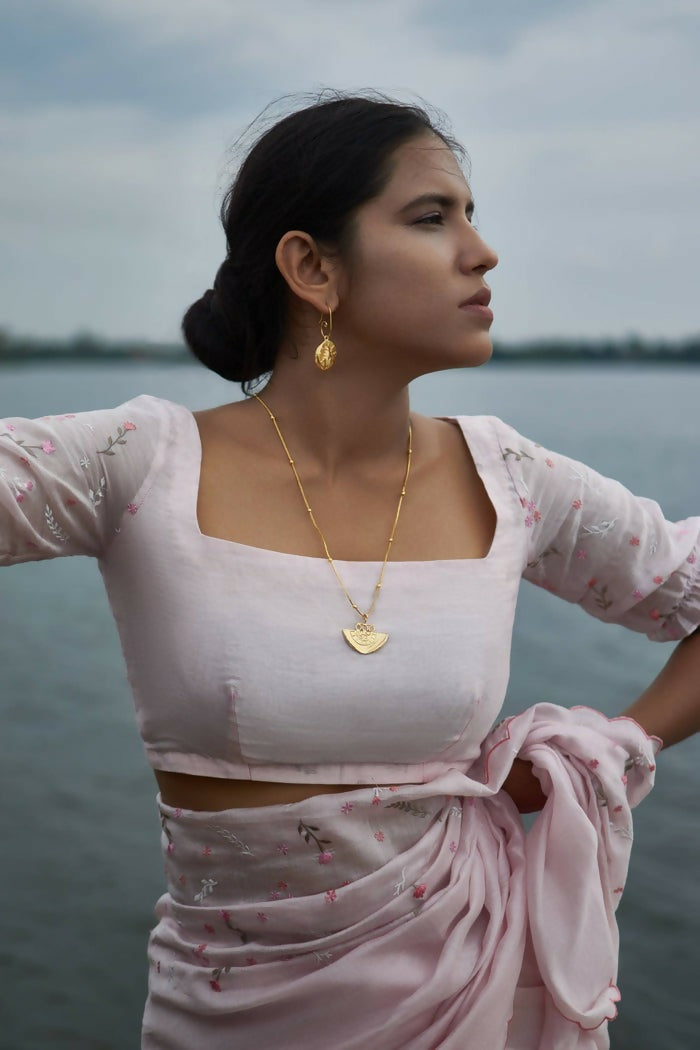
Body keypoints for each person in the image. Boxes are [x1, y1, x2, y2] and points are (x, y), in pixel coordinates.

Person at [1, 91, 699, 1050]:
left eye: (471, 213)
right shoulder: (140, 463)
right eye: (430, 217)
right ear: (311, 266)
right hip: (227, 1014)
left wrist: (611, 746)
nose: (481, 250)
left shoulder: (513, 479)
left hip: (472, 993)